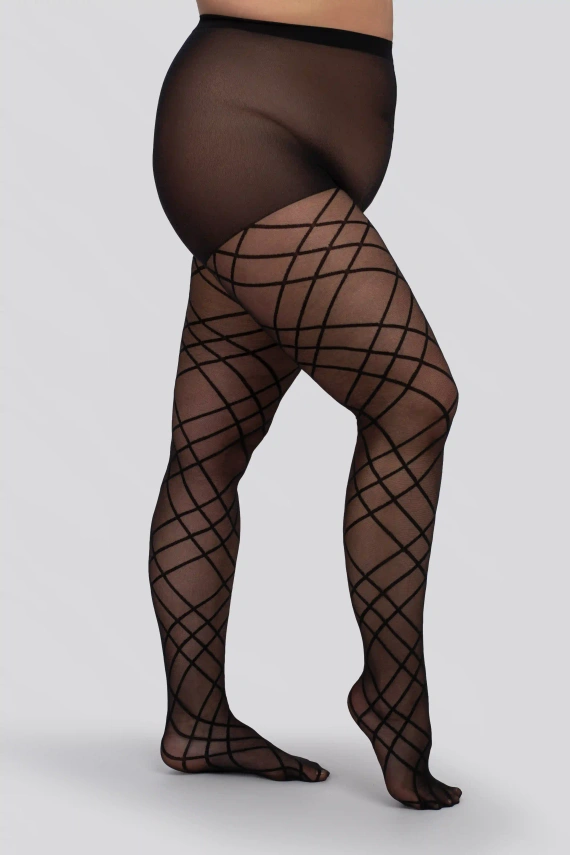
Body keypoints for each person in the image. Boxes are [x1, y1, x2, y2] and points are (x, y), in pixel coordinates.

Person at [149, 0, 462, 810]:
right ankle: (393, 693)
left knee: (209, 450)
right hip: (243, 118)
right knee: (415, 397)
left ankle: (196, 723)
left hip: (305, 122)